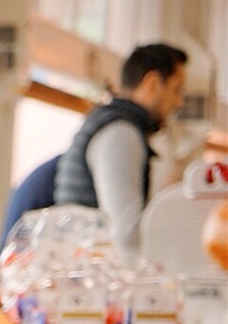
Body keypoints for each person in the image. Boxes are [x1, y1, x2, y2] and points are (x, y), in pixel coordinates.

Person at [53, 42, 189, 256]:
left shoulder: (114, 125)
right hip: (90, 277)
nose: (179, 102)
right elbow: (126, 236)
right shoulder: (121, 133)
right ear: (153, 83)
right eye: (176, 89)